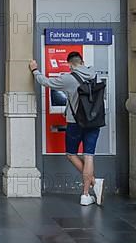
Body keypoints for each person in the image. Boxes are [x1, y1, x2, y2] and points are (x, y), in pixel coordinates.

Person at [29, 52, 105, 206]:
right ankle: (86, 194)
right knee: (89, 155)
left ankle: (92, 184)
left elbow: (46, 82)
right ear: (82, 61)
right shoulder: (94, 74)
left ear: (70, 64)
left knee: (71, 154)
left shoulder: (69, 78)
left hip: (75, 122)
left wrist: (34, 70)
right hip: (95, 120)